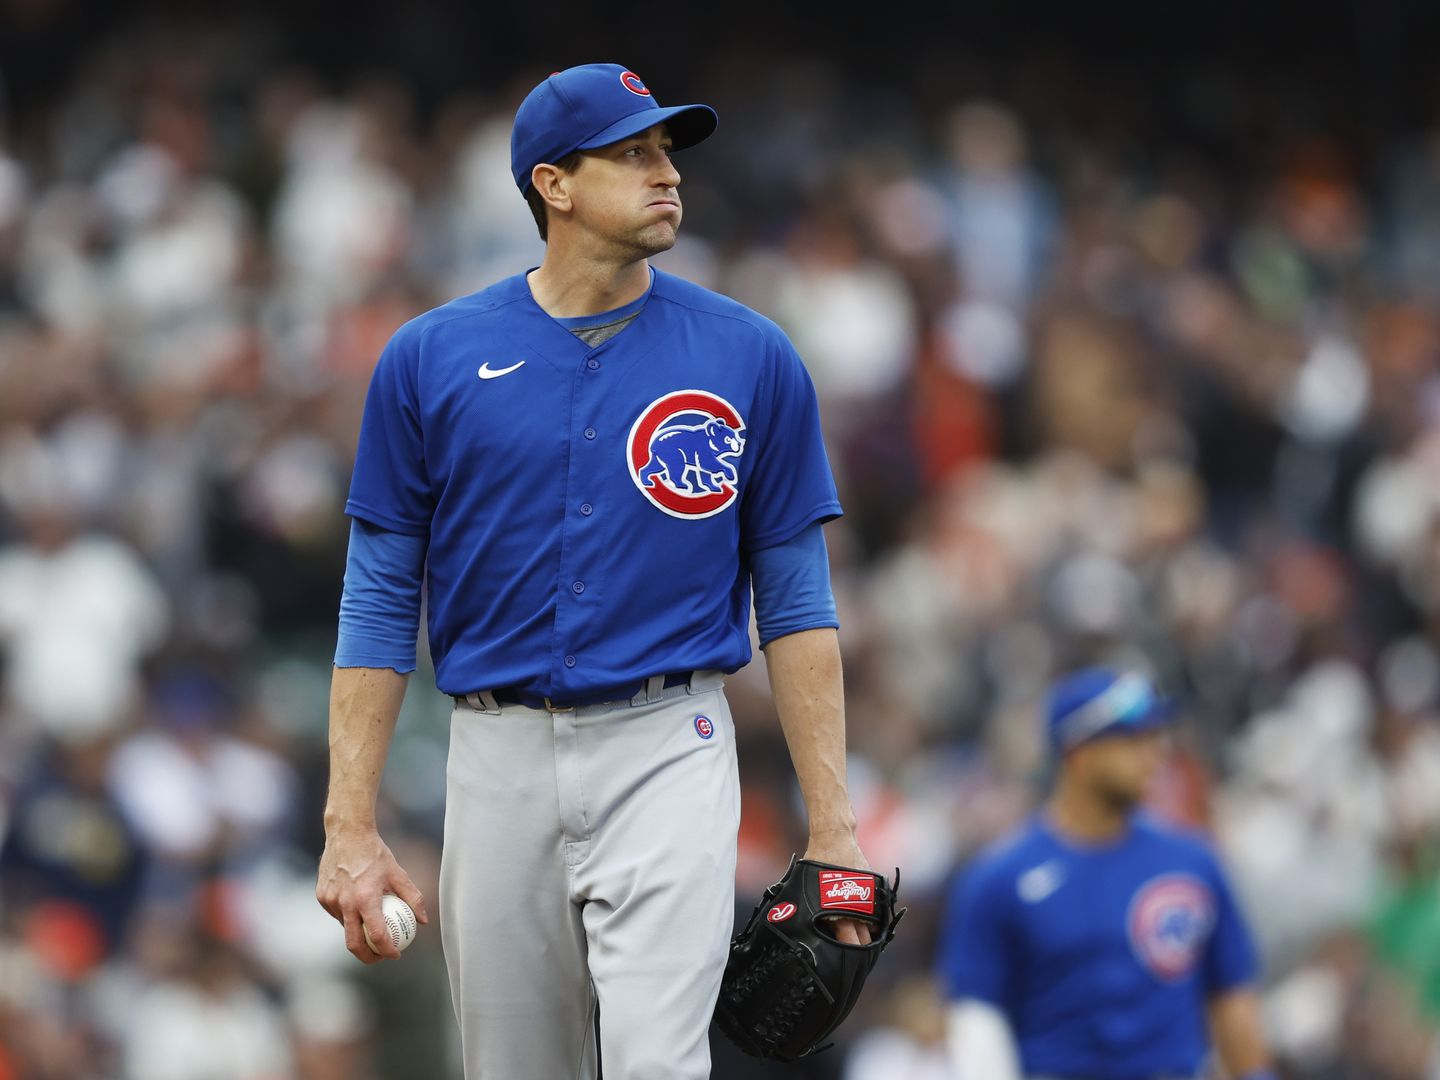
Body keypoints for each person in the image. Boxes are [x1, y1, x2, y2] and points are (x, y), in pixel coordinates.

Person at [314, 62, 871, 1080]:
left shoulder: (750, 356)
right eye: (633, 153)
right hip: (494, 756)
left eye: (668, 152)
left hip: (671, 742)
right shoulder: (431, 358)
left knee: (660, 1066)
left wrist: (832, 828)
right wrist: (349, 823)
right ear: (553, 185)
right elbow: (379, 598)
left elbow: (796, 604)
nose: (668, 174)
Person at [938, 667, 1275, 1080]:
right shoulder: (999, 880)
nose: (1155, 754)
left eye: (1156, 737)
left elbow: (1231, 996)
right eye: (1133, 739)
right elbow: (977, 1020)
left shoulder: (1193, 863)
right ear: (1078, 752)